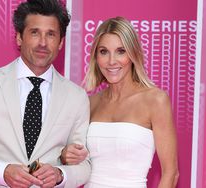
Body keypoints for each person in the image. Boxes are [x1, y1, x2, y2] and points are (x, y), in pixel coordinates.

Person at [0, 0, 91, 187]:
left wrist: (60, 174)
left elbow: (83, 164)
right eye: (35, 32)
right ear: (19, 37)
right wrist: (0, 172)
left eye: (51, 34)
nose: (43, 43)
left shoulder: (76, 97)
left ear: (61, 42)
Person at [60, 17, 179, 188]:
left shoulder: (155, 100)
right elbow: (75, 160)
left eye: (120, 51)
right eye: (103, 51)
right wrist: (66, 155)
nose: (111, 61)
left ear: (133, 54)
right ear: (95, 56)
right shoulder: (89, 102)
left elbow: (171, 173)